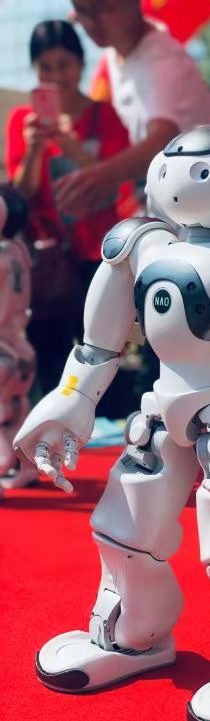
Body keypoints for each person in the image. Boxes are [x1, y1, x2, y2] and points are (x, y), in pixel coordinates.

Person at [15, 124, 210, 721]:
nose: (177, 175)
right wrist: (72, 396)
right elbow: (98, 341)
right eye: (170, 164)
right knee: (124, 527)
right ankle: (134, 633)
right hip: (157, 412)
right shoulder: (142, 244)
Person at [5, 19, 131, 391]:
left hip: (101, 254)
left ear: (80, 64)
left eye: (64, 65)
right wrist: (33, 151)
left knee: (105, 355)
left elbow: (117, 184)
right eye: (46, 67)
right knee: (52, 361)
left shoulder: (105, 117)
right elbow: (20, 198)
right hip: (48, 260)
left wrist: (73, 147)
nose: (56, 76)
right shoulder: (22, 122)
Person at [55, 0, 210, 219]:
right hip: (179, 201)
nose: (92, 22)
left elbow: (163, 137)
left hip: (207, 203)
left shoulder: (161, 59)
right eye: (83, 11)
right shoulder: (117, 50)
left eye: (104, 8)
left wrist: (103, 175)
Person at [0, 185, 38, 495]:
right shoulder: (19, 250)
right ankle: (26, 466)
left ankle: (7, 463)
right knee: (17, 409)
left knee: (7, 411)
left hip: (4, 344)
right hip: (20, 342)